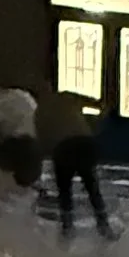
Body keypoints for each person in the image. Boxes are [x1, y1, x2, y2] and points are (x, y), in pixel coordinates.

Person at [39, 83, 112, 239]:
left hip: (63, 148)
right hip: (84, 142)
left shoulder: (39, 112)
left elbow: (42, 140)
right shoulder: (67, 97)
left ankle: (67, 227)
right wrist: (94, 125)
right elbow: (98, 105)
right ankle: (103, 224)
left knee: (65, 189)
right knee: (91, 184)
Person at [0, 84, 42, 194]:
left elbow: (0, 123)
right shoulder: (27, 100)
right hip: (30, 141)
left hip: (15, 141)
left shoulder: (3, 100)